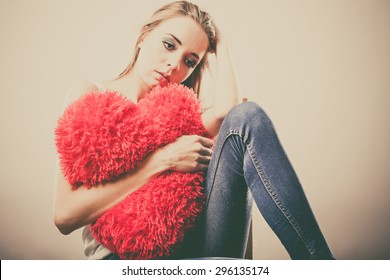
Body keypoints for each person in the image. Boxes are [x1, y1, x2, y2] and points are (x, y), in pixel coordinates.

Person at [53, 0, 334, 260]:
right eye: (168, 45)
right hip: (121, 259)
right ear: (143, 37)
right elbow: (64, 216)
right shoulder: (91, 95)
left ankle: (320, 265)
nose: (174, 65)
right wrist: (163, 160)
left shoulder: (180, 116)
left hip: (195, 249)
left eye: (190, 61)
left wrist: (222, 43)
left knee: (247, 116)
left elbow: (229, 110)